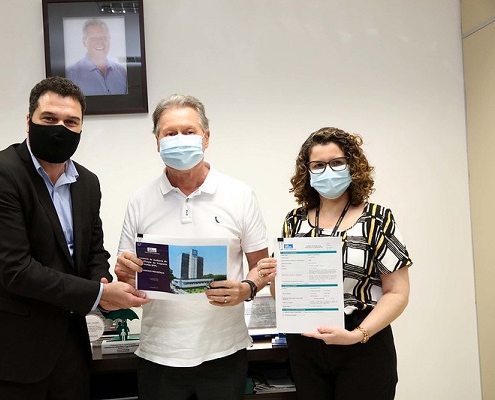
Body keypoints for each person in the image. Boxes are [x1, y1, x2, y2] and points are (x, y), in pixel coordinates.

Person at [0, 76, 148, 400]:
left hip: (70, 353)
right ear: (28, 121)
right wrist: (99, 293)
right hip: (8, 355)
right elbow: (16, 270)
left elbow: (93, 253)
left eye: (71, 122)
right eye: (49, 119)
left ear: (81, 127)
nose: (60, 128)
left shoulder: (87, 182)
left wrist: (103, 282)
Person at [114, 94, 277, 400]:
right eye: (169, 133)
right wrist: (124, 273)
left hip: (224, 351)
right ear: (157, 142)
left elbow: (261, 266)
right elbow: (127, 277)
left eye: (189, 131)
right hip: (159, 353)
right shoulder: (140, 200)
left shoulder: (239, 194)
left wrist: (246, 289)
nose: (179, 139)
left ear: (206, 138)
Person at [269, 127, 412, 400]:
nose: (328, 171)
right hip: (307, 344)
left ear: (352, 166)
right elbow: (283, 294)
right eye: (318, 165)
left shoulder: (377, 219)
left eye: (337, 162)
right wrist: (274, 276)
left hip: (362, 341)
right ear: (307, 172)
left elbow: (398, 292)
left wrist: (357, 334)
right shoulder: (294, 221)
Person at [65, 18, 128, 96]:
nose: (100, 42)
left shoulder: (121, 72)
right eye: (94, 38)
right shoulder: (70, 75)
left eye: (104, 38)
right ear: (84, 41)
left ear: (109, 40)